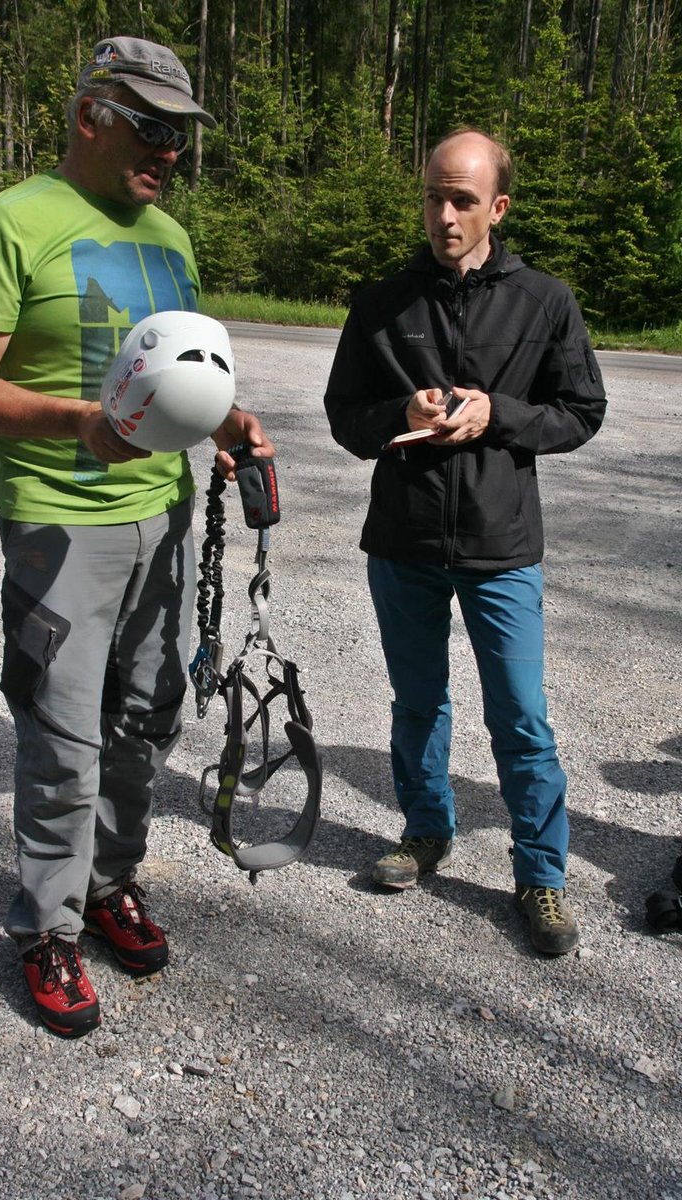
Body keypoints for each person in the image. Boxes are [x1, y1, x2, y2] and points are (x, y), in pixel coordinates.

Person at [0, 35, 274, 1037]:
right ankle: (48, 927)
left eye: (182, 136)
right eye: (151, 127)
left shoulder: (170, 240)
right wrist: (76, 424)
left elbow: (180, 368)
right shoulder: (9, 224)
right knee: (61, 734)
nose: (170, 151)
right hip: (57, 522)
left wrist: (227, 423)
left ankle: (112, 881)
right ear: (90, 114)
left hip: (163, 518)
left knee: (150, 717)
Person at [324, 128, 606, 956]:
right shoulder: (382, 302)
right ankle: (424, 831)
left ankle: (542, 876)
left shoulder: (545, 301)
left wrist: (500, 415)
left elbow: (582, 411)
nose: (444, 216)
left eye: (463, 201)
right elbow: (346, 417)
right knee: (418, 703)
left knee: (520, 716)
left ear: (499, 207)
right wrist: (398, 418)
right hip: (404, 538)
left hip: (500, 542)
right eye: (433, 197)